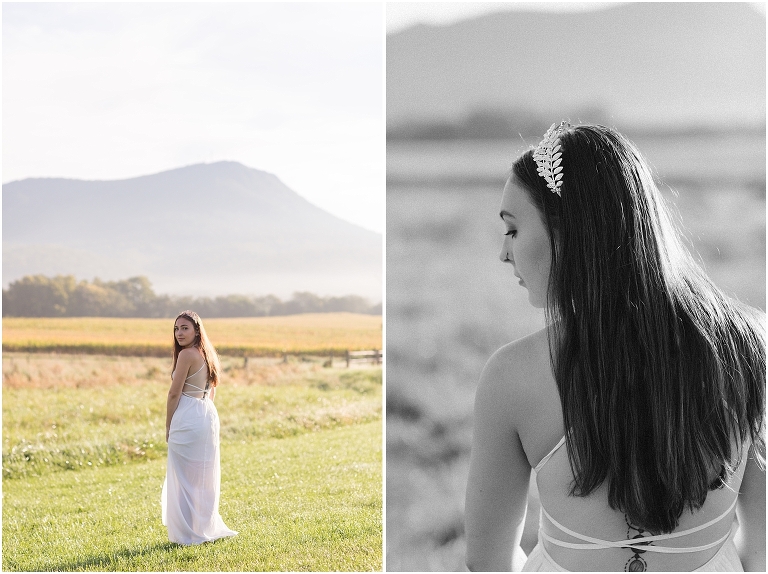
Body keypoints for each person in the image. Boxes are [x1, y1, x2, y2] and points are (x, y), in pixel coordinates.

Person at [465, 123, 765, 572]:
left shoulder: (512, 376)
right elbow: (762, 547)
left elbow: (487, 562)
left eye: (512, 230)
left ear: (566, 235)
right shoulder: (748, 347)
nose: (504, 254)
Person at [162, 310, 238, 545]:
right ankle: (202, 527)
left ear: (196, 330)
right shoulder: (208, 354)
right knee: (202, 474)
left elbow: (174, 392)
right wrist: (203, 414)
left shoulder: (186, 355)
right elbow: (212, 389)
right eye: (176, 329)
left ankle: (188, 533)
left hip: (188, 413)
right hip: (206, 412)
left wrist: (168, 425)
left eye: (184, 328)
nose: (179, 333)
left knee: (185, 476)